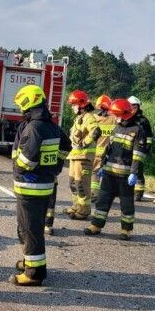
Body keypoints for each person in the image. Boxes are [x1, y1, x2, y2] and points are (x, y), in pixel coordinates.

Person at [10, 85, 67, 286]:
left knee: (29, 230)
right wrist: (54, 168)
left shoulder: (34, 127)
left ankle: (34, 273)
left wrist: (22, 169)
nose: (20, 110)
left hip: (29, 187)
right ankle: (29, 261)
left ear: (27, 103)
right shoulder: (51, 125)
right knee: (31, 228)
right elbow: (65, 146)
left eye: (21, 106)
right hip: (43, 186)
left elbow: (26, 159)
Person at [85, 99, 148, 240]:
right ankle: (96, 225)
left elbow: (138, 155)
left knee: (126, 204)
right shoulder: (117, 128)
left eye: (116, 114)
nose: (114, 117)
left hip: (125, 175)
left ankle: (126, 230)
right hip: (109, 173)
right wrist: (102, 166)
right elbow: (109, 149)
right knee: (102, 200)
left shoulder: (138, 131)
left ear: (124, 114)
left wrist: (134, 173)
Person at [64, 90, 100, 220]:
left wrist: (85, 143)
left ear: (81, 104)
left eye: (74, 104)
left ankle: (84, 211)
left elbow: (96, 131)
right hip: (75, 156)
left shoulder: (88, 117)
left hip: (84, 157)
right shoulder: (80, 118)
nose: (72, 107)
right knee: (73, 183)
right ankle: (76, 206)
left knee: (81, 184)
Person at [91, 95, 117, 201]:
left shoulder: (95, 118)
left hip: (97, 151)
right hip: (111, 152)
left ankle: (94, 194)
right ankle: (109, 194)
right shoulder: (114, 119)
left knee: (95, 173)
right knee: (109, 173)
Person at [128, 96, 153, 201]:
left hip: (139, 148)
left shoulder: (143, 120)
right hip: (127, 148)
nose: (133, 108)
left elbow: (149, 136)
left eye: (135, 106)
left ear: (138, 107)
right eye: (131, 106)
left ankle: (138, 193)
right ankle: (127, 191)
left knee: (138, 170)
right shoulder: (126, 118)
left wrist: (146, 148)